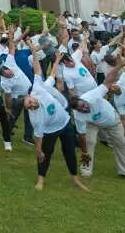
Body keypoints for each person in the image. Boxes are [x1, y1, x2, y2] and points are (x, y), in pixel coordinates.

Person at [24, 41, 88, 191]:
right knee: (45, 155)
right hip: (50, 131)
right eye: (29, 107)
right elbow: (38, 136)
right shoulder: (35, 118)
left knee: (70, 151)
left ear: (30, 96)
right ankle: (41, 180)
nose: (32, 105)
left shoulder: (39, 88)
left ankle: (74, 178)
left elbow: (42, 70)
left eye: (30, 102)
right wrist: (38, 151)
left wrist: (38, 54)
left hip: (65, 123)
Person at [71, 53, 125, 183]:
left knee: (121, 143)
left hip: (112, 120)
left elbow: (108, 80)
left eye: (83, 106)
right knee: (89, 143)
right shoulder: (78, 115)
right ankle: (86, 170)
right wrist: (84, 152)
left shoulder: (92, 95)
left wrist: (119, 65)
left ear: (84, 100)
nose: (84, 109)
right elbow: (82, 135)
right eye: (81, 109)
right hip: (92, 123)